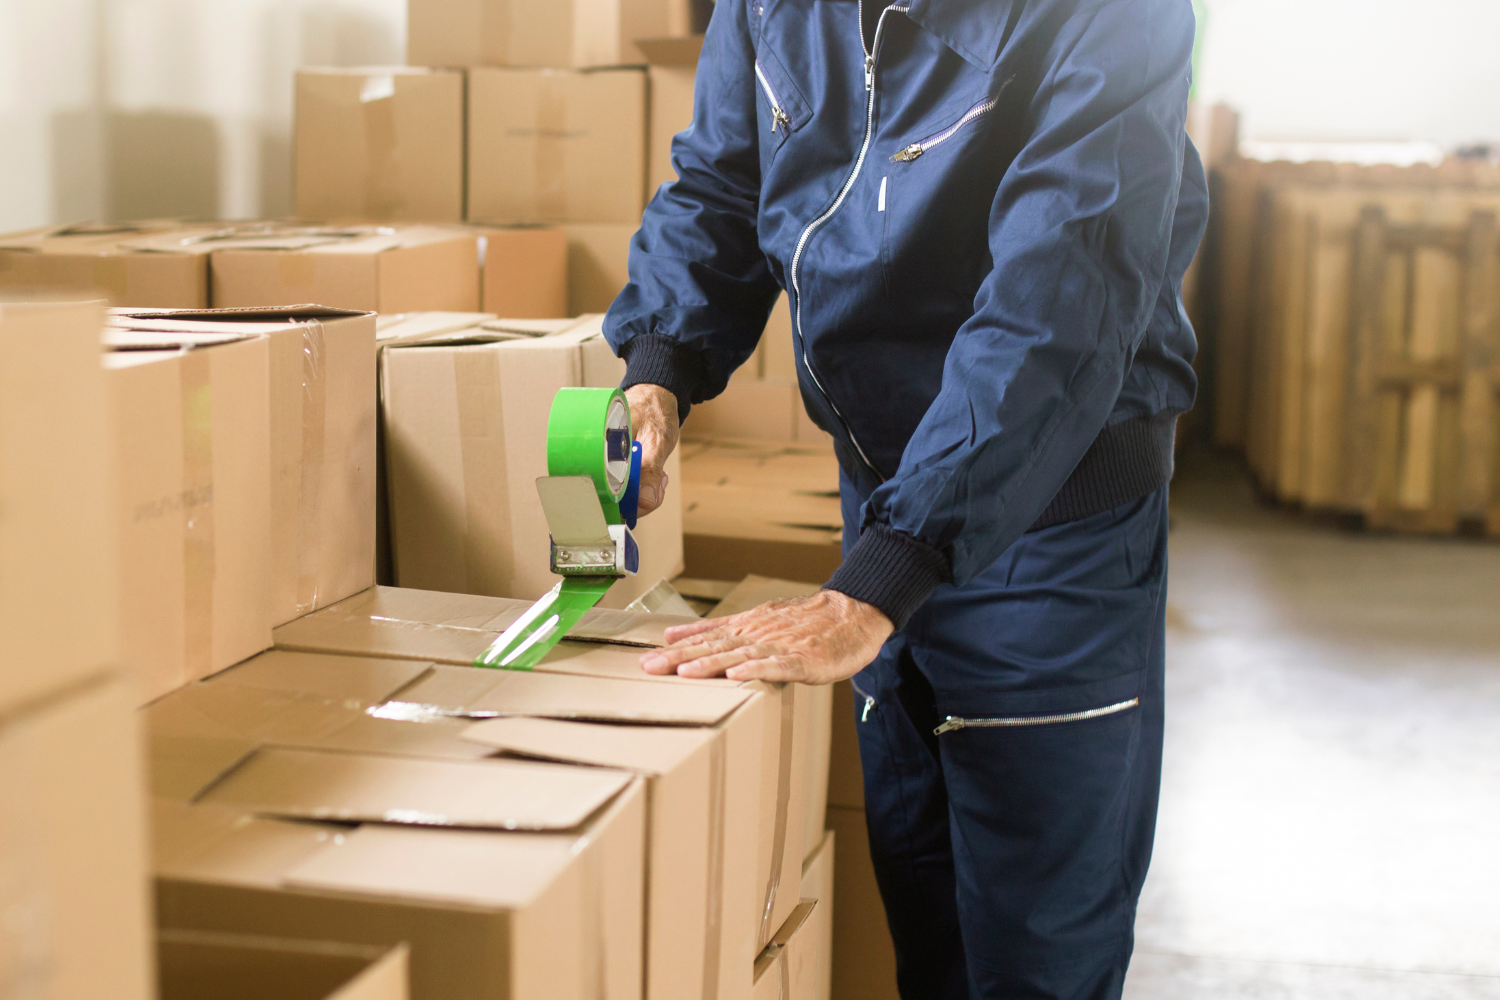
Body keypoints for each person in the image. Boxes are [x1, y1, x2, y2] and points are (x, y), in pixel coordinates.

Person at [603, 0, 1206, 996]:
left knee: (1035, 956)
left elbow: (1059, 298)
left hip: (1053, 526)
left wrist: (885, 577)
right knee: (926, 920)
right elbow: (722, 180)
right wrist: (658, 364)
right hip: (887, 504)